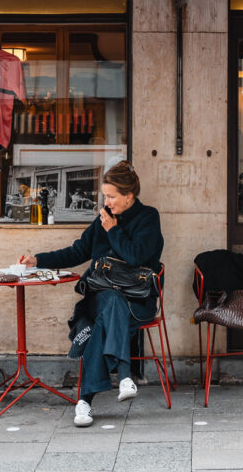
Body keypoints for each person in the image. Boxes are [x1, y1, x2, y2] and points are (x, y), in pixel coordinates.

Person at [18, 161, 163, 427]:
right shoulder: (104, 218)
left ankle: (84, 402)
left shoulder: (148, 218)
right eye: (104, 196)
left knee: (106, 319)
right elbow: (77, 251)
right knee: (110, 301)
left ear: (129, 196)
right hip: (101, 297)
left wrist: (113, 230)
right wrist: (37, 260)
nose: (106, 201)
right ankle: (125, 374)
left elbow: (136, 256)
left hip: (137, 301)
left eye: (111, 196)